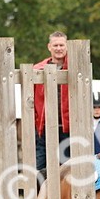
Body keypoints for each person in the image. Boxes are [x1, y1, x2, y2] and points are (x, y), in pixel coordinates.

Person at [33, 31, 71, 173]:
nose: (59, 48)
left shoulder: (74, 67)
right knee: (40, 168)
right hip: (44, 127)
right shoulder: (38, 70)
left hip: (68, 128)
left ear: (66, 46)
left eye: (61, 45)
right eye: (55, 45)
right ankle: (39, 195)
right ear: (49, 47)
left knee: (66, 169)